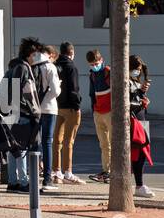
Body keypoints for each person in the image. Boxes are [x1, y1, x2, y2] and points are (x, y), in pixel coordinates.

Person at [4, 38, 42, 193]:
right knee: (22, 149)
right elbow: (26, 92)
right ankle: (24, 181)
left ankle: (12, 181)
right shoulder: (24, 68)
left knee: (13, 149)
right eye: (35, 54)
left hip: (12, 112)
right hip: (22, 112)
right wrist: (32, 110)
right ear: (29, 54)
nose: (36, 57)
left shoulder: (13, 67)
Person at [52, 41, 83, 184]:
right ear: (71, 53)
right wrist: (77, 105)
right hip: (70, 107)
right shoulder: (71, 67)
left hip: (57, 106)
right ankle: (68, 172)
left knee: (56, 140)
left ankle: (56, 172)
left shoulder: (54, 65)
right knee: (68, 141)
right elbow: (74, 88)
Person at [32, 42, 60, 192]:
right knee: (47, 142)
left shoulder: (32, 65)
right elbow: (55, 90)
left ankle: (32, 176)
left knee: (34, 143)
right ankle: (47, 179)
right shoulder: (50, 67)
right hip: (48, 108)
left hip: (34, 109)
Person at [129, 54, 154, 198]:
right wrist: (141, 100)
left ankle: (139, 184)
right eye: (135, 69)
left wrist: (143, 95)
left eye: (139, 70)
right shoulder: (127, 82)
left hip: (140, 120)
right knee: (137, 154)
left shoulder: (135, 82)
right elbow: (127, 103)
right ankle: (138, 184)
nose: (137, 72)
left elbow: (136, 99)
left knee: (141, 154)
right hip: (134, 121)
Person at [86, 49, 112, 183]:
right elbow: (92, 94)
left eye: (96, 63)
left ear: (101, 60)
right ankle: (106, 170)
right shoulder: (92, 75)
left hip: (110, 112)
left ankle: (114, 170)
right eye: (91, 64)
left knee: (113, 143)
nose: (94, 66)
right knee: (103, 144)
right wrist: (94, 110)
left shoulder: (108, 72)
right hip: (98, 112)